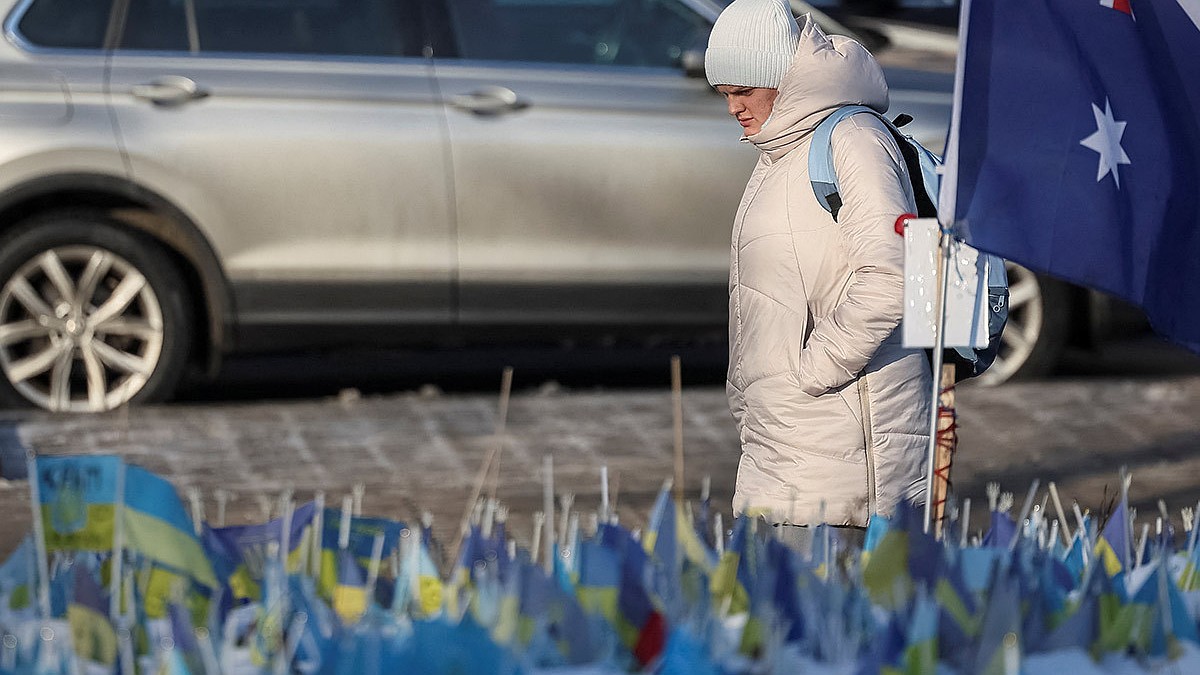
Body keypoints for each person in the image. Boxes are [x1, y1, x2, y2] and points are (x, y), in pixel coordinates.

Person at [705, 0, 933, 542]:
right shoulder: (779, 152)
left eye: (744, 91)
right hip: (783, 445)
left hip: (840, 453)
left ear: (781, 78)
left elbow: (890, 277)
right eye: (725, 95)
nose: (734, 108)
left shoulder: (853, 140)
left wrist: (813, 370)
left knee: (828, 618)